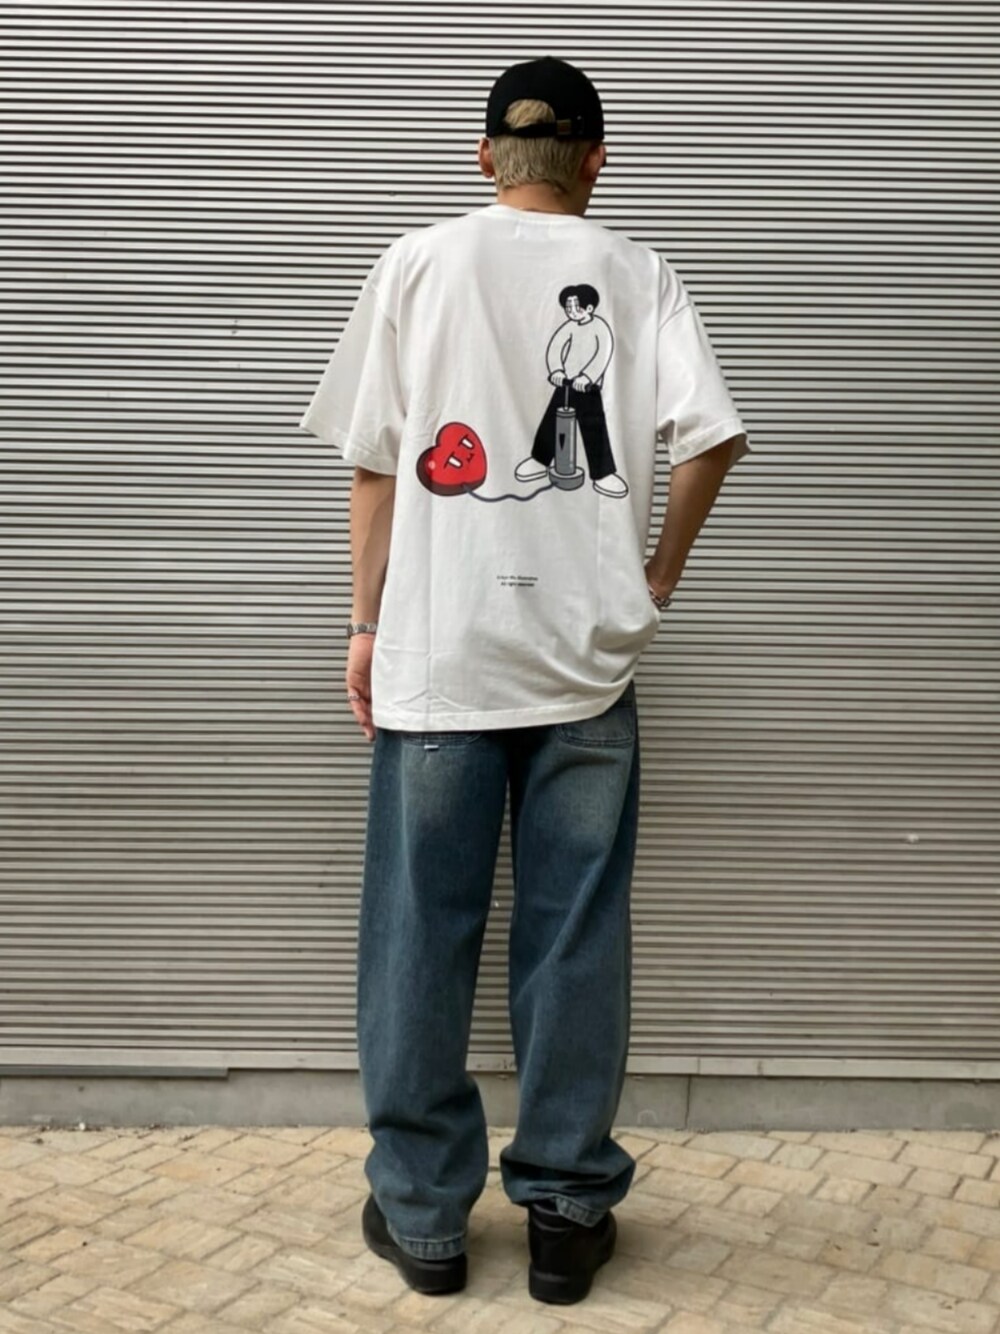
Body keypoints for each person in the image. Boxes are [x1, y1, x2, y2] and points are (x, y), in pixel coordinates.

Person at [298, 55, 752, 1305]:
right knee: (573, 929)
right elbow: (712, 438)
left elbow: (374, 465)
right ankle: (562, 1211)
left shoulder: (416, 261)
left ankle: (425, 1219)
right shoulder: (642, 272)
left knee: (418, 932)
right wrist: (656, 576)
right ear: (597, 159)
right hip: (584, 660)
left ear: (483, 155)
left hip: (439, 653)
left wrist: (363, 625)